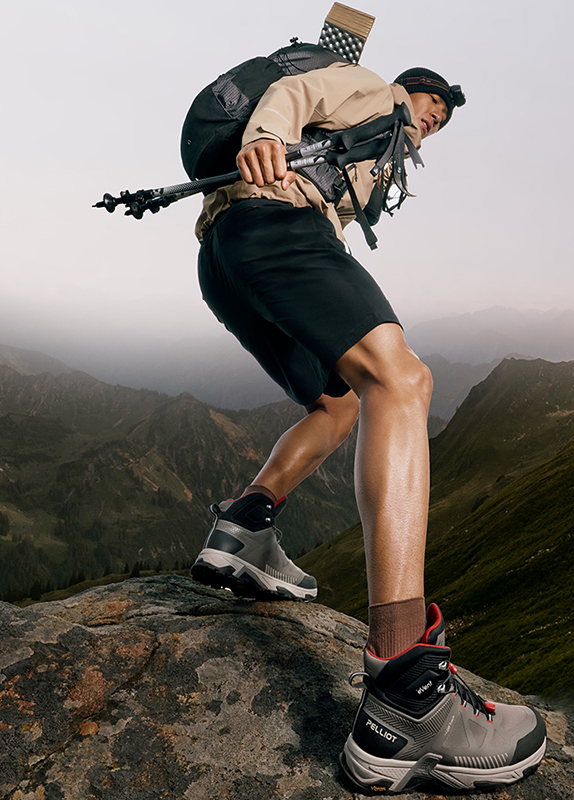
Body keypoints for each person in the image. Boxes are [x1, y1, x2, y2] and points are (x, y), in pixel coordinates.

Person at [189, 59, 547, 793]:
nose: (432, 119)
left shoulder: (379, 154)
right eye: (432, 104)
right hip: (275, 218)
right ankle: (405, 687)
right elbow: (296, 93)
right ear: (409, 89)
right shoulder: (371, 87)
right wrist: (267, 135)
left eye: (441, 120)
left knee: (340, 402)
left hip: (228, 252)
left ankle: (245, 528)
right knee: (403, 380)